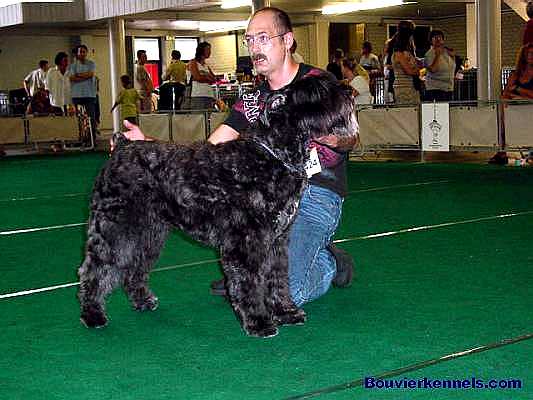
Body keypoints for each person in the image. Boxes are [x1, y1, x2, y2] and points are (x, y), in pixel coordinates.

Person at [122, 6, 357, 307]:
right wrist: (149, 144)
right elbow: (209, 148)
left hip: (316, 194)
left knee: (289, 294)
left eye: (263, 38)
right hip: (267, 195)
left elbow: (352, 139)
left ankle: (330, 262)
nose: (255, 48)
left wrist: (323, 135)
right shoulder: (252, 100)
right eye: (250, 40)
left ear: (288, 40)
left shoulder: (317, 85)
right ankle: (250, 269)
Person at [489, 43, 533, 165]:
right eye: (529, 54)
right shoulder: (515, 74)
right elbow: (507, 92)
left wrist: (518, 91)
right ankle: (502, 149)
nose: (531, 56)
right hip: (514, 108)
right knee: (502, 111)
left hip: (529, 108)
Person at [69, 44, 97, 140]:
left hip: (90, 95)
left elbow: (90, 74)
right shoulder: (72, 66)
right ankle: (78, 138)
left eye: (83, 51)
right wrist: (84, 76)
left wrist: (78, 75)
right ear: (77, 53)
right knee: (76, 119)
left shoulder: (91, 64)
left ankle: (93, 139)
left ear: (86, 53)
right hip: (76, 95)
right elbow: (72, 78)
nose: (82, 53)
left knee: (91, 118)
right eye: (80, 51)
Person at [390, 20, 420, 104]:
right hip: (404, 88)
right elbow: (408, 71)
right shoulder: (399, 53)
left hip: (411, 86)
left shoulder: (406, 52)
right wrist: (417, 71)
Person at [423, 30, 456, 102]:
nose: (438, 39)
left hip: (448, 88)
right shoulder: (429, 54)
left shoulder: (447, 53)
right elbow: (433, 69)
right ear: (431, 40)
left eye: (440, 37)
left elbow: (452, 67)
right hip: (435, 89)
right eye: (435, 37)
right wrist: (437, 56)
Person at [187, 42, 217, 109]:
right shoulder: (193, 62)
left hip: (209, 95)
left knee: (209, 118)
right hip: (198, 95)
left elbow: (214, 79)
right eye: (207, 49)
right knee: (199, 117)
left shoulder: (206, 66)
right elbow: (197, 77)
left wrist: (205, 76)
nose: (209, 52)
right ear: (201, 50)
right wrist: (207, 77)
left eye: (210, 49)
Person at [134, 49, 154, 113]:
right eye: (144, 57)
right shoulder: (140, 68)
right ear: (139, 58)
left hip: (145, 92)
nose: (146, 58)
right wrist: (148, 90)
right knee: (145, 111)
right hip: (144, 92)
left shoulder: (142, 67)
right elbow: (142, 81)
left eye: (146, 57)